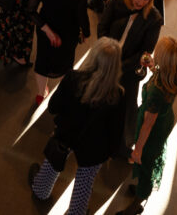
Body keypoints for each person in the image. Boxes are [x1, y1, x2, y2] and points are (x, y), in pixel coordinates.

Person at [28, 38, 125, 214]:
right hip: (94, 148)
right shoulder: (117, 95)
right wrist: (109, 152)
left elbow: (53, 106)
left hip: (67, 135)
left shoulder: (73, 78)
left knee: (53, 161)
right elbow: (116, 132)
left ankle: (41, 190)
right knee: (84, 182)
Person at [118, 36, 177, 215]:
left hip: (153, 128)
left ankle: (135, 205)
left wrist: (137, 150)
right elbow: (161, 72)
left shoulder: (156, 92)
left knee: (146, 163)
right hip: (165, 120)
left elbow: (148, 125)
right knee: (150, 158)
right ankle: (140, 189)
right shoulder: (175, 74)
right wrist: (153, 66)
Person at [98, 0, 163, 153]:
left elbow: (144, 52)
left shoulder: (154, 18)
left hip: (127, 69)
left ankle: (121, 145)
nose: (141, 2)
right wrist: (106, 54)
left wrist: (119, 67)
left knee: (126, 107)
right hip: (106, 58)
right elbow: (103, 26)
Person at [32, 0, 89, 105]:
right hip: (68, 32)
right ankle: (62, 94)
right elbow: (82, 15)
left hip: (46, 29)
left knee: (43, 59)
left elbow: (31, 11)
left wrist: (48, 31)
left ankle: (40, 94)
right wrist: (86, 32)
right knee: (66, 62)